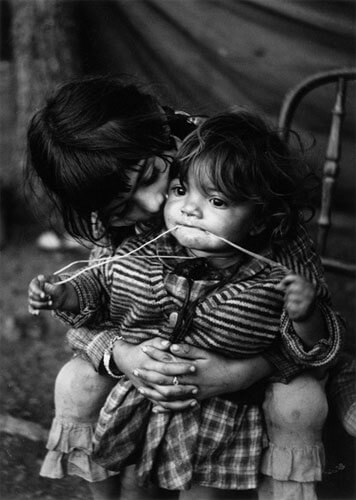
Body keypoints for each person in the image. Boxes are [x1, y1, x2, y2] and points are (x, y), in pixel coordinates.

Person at [29, 111, 344, 499]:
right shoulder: (137, 252)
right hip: (146, 395)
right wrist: (78, 307)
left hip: (223, 408)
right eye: (180, 191)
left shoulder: (268, 262)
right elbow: (97, 291)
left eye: (152, 178)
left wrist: (258, 357)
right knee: (131, 477)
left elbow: (320, 342)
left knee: (214, 478)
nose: (180, 207)